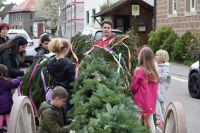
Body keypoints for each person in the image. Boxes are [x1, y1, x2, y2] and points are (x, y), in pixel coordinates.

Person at [130, 46, 159, 133]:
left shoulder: (139, 70)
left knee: (136, 120)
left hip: (140, 102)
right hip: (151, 102)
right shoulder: (155, 72)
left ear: (141, 57)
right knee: (150, 121)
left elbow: (133, 87)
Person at [47, 38, 75, 111]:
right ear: (65, 49)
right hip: (66, 94)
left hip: (55, 92)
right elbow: (72, 81)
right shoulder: (68, 64)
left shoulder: (50, 63)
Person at [0, 64, 21, 133]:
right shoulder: (5, 81)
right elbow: (14, 83)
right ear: (3, 72)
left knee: (1, 115)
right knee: (8, 115)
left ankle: (1, 128)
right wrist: (19, 78)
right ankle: (10, 129)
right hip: (6, 103)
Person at [155, 49, 171, 126]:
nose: (155, 56)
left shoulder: (165, 67)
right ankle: (157, 117)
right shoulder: (156, 64)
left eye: (157, 55)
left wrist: (155, 74)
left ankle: (161, 117)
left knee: (161, 102)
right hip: (155, 87)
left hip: (161, 88)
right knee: (155, 102)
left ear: (162, 58)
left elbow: (164, 77)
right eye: (156, 55)